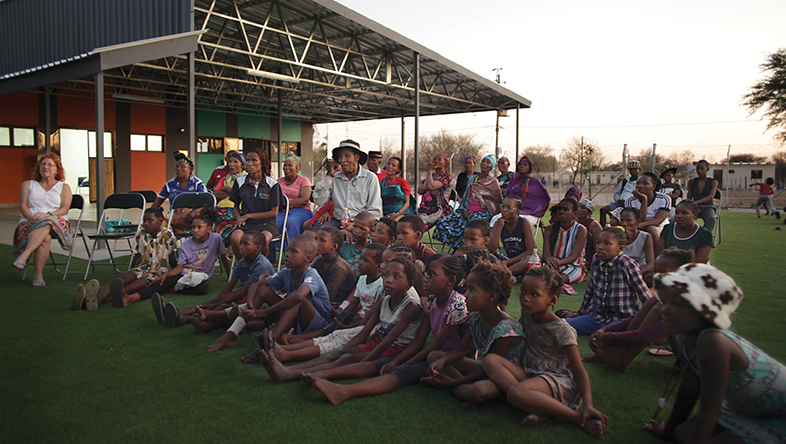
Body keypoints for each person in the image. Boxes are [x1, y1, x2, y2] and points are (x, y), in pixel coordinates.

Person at [304, 254, 472, 404]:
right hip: (431, 355)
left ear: (450, 280)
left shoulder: (457, 306)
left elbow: (434, 346)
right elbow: (421, 340)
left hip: (449, 358)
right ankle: (319, 376)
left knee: (400, 371)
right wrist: (400, 361)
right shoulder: (432, 301)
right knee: (387, 364)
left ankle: (341, 390)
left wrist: (400, 362)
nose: (426, 279)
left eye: (432, 275)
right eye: (425, 274)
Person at [647, 264, 786, 444]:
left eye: (677, 304)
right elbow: (690, 385)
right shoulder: (682, 333)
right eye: (664, 301)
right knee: (681, 434)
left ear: (703, 312)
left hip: (780, 414)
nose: (664, 309)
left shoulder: (713, 342)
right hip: (745, 410)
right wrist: (668, 432)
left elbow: (709, 410)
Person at [482, 266, 608, 439]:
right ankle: (539, 407)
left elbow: (578, 370)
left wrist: (588, 404)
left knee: (516, 393)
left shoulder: (562, 329)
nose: (525, 299)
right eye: (523, 292)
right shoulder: (527, 315)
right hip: (531, 371)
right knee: (490, 360)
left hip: (557, 378)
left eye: (534, 295)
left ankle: (577, 418)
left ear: (552, 299)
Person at [260, 257, 423, 383]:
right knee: (340, 352)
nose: (388, 280)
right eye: (386, 275)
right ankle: (288, 370)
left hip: (397, 348)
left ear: (409, 284)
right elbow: (365, 331)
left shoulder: (411, 307)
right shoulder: (384, 299)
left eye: (396, 277)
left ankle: (295, 374)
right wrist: (346, 347)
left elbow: (389, 340)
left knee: (348, 359)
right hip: (378, 340)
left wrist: (364, 359)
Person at [421, 259, 524, 407]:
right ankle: (463, 391)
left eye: (472, 290)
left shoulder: (505, 328)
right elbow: (461, 350)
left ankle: (455, 388)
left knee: (479, 390)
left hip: (505, 377)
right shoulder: (476, 316)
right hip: (484, 369)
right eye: (466, 289)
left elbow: (491, 369)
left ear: (492, 296)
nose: (466, 295)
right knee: (434, 356)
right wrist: (442, 361)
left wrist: (454, 381)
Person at [203, 235, 332, 351]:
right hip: (295, 316)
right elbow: (256, 285)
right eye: (288, 250)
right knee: (264, 291)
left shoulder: (311, 274)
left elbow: (298, 297)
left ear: (308, 258)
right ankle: (231, 334)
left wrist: (266, 311)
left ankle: (269, 344)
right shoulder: (287, 272)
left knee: (297, 299)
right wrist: (250, 305)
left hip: (316, 321)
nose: (287, 254)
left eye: (294, 252)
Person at [266, 243, 386, 363]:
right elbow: (352, 304)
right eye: (361, 259)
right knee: (332, 328)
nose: (360, 263)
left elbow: (373, 317)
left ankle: (289, 350)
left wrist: (348, 326)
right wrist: (340, 320)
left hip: (371, 324)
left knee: (338, 338)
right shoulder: (363, 278)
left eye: (365, 261)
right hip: (363, 319)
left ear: (378, 266)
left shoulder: (381, 285)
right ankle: (291, 344)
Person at [583, 247, 693, 372]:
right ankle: (619, 353)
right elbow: (636, 318)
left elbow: (646, 334)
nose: (657, 277)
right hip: (684, 351)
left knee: (658, 306)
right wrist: (606, 329)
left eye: (663, 273)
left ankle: (623, 358)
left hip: (698, 361)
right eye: (656, 272)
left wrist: (609, 337)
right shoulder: (671, 294)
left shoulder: (686, 302)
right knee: (655, 301)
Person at [160, 230, 274, 329]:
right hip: (244, 293)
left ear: (258, 248)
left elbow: (245, 291)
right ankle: (177, 314)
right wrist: (218, 298)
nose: (241, 247)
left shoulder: (262, 265)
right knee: (213, 302)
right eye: (240, 244)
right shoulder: (242, 263)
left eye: (246, 244)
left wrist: (221, 301)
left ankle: (184, 318)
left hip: (256, 297)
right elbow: (230, 285)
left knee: (223, 306)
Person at [117, 209, 229, 307]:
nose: (195, 230)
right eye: (193, 227)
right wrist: (165, 275)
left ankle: (169, 289)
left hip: (200, 277)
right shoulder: (186, 244)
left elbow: (223, 258)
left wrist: (230, 278)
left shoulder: (216, 238)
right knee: (161, 282)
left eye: (199, 227)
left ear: (209, 229)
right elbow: (179, 268)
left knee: (203, 289)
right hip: (184, 273)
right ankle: (131, 298)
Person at [556, 227, 650, 335]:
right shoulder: (596, 259)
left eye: (607, 244)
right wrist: (581, 313)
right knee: (562, 327)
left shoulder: (627, 264)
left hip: (621, 319)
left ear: (620, 248)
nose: (600, 247)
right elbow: (590, 289)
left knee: (609, 337)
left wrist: (648, 320)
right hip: (597, 317)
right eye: (598, 243)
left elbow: (643, 293)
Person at [78, 208, 175, 310]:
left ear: (160, 220)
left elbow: (172, 257)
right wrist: (131, 273)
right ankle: (96, 299)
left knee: (130, 288)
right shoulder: (140, 234)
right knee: (120, 278)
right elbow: (136, 255)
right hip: (139, 269)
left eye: (150, 220)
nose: (146, 224)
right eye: (144, 221)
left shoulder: (168, 235)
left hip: (154, 274)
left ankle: (96, 301)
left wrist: (173, 278)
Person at [12, 153, 74, 287]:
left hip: (57, 220)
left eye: (50, 165)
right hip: (30, 221)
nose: (45, 167)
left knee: (47, 222)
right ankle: (38, 276)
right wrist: (31, 217)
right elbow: (23, 206)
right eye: (42, 164)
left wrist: (49, 214)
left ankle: (25, 255)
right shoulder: (28, 184)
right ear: (38, 168)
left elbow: (64, 209)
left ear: (57, 170)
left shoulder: (63, 187)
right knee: (45, 238)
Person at [434, 155, 502, 250]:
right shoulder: (472, 179)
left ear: (492, 166)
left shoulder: (493, 181)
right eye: (483, 161)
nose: (485, 164)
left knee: (471, 226)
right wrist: (465, 210)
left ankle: (470, 249)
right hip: (467, 210)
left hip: (482, 213)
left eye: (488, 162)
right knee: (443, 222)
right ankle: (458, 249)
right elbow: (466, 196)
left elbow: (496, 200)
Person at [227, 150, 282, 258]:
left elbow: (273, 213)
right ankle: (244, 266)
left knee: (263, 242)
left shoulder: (272, 184)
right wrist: (238, 218)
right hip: (246, 223)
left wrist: (248, 215)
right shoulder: (239, 182)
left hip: (267, 223)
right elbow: (236, 207)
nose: (249, 163)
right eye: (247, 160)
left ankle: (260, 269)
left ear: (262, 163)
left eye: (254, 160)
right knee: (235, 239)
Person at [327, 139, 383, 230]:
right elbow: (320, 200)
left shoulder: (370, 178)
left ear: (357, 157)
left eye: (347, 156)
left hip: (362, 223)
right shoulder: (335, 178)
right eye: (340, 157)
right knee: (323, 236)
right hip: (338, 221)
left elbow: (375, 210)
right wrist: (329, 176)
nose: (342, 160)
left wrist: (355, 224)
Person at [541, 198, 588, 287]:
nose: (560, 212)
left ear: (575, 214)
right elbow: (546, 254)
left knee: (557, 280)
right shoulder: (550, 229)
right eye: (559, 209)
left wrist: (557, 263)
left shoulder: (581, 230)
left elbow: (573, 257)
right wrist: (550, 261)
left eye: (565, 209)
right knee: (535, 274)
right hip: (553, 263)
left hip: (574, 266)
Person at [489, 195, 536, 276]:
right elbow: (491, 249)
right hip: (507, 258)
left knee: (530, 260)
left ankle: (503, 273)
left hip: (521, 259)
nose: (504, 210)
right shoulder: (499, 222)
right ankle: (507, 272)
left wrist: (506, 262)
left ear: (518, 211)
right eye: (503, 206)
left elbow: (530, 251)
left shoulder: (524, 223)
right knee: (487, 256)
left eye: (509, 208)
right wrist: (499, 227)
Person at [656, 200, 713, 264]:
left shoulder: (704, 234)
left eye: (684, 213)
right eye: (677, 213)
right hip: (668, 267)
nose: (679, 216)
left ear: (695, 215)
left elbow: (699, 262)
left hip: (693, 270)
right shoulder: (668, 228)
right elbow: (660, 254)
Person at [500, 156, 551, 227]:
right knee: (496, 219)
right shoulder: (514, 180)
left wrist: (537, 211)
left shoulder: (534, 182)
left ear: (530, 167)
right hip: (511, 211)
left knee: (519, 221)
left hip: (528, 213)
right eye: (520, 164)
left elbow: (544, 198)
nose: (522, 166)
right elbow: (507, 195)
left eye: (525, 164)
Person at [625, 171, 671, 246]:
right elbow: (640, 218)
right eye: (638, 183)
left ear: (653, 186)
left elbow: (657, 221)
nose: (640, 186)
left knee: (651, 229)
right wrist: (644, 200)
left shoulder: (664, 199)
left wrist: (637, 225)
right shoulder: (630, 200)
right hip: (639, 226)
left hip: (659, 228)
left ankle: (658, 256)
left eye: (645, 183)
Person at [276, 154, 313, 245]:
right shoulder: (278, 181)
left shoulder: (303, 180)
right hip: (282, 210)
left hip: (301, 210)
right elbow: (274, 198)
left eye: (290, 165)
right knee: (273, 220)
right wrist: (282, 206)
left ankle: (294, 249)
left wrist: (287, 204)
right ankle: (270, 254)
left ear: (297, 168)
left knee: (291, 221)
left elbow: (304, 200)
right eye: (285, 165)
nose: (286, 168)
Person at [314, 227, 356, 307]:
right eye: (316, 239)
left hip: (336, 304)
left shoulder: (339, 268)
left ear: (334, 246)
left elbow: (327, 295)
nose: (316, 243)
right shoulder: (319, 261)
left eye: (322, 240)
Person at [600, 159, 641, 227]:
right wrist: (618, 200)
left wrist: (627, 201)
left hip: (631, 205)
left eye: (635, 169)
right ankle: (601, 229)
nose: (633, 171)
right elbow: (617, 193)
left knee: (621, 217)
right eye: (631, 169)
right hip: (619, 203)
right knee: (603, 210)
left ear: (639, 170)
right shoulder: (625, 181)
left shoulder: (640, 182)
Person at [417, 153, 453, 230]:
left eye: (439, 159)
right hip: (424, 208)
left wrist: (429, 170)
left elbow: (430, 185)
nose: (436, 161)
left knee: (418, 224)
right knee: (409, 221)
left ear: (445, 163)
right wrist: (430, 188)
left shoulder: (447, 176)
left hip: (438, 209)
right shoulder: (431, 176)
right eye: (434, 159)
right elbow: (419, 190)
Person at [619, 207, 655, 276]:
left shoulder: (645, 237)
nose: (624, 224)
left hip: (639, 269)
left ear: (637, 222)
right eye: (622, 220)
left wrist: (635, 274)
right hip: (622, 269)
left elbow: (650, 263)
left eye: (629, 220)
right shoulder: (617, 236)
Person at [337, 211, 374, 277]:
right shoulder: (345, 246)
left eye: (362, 229)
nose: (357, 231)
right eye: (355, 226)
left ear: (371, 231)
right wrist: (338, 235)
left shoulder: (373, 249)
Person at [686, 159, 718, 232]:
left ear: (707, 169)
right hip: (695, 207)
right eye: (698, 169)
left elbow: (710, 197)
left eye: (702, 169)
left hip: (708, 207)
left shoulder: (713, 182)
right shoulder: (692, 181)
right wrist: (688, 203)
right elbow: (690, 195)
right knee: (683, 216)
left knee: (711, 218)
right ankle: (687, 235)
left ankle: (704, 236)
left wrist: (696, 202)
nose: (699, 171)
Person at [576, 198, 602, 267]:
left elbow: (598, 245)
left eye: (583, 208)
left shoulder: (594, 224)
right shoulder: (574, 223)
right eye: (577, 206)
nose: (578, 209)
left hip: (588, 260)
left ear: (590, 212)